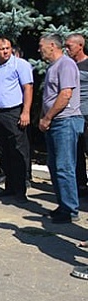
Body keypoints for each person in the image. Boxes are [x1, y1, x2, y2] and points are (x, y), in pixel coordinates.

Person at [38, 33, 83, 223]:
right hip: (54, 121)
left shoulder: (66, 64)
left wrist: (48, 117)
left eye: (41, 46)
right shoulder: (52, 67)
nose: (39, 49)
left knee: (65, 166)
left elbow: (65, 95)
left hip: (65, 121)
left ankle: (70, 210)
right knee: (54, 165)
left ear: (52, 46)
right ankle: (63, 204)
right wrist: (42, 116)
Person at [0, 35, 34, 201]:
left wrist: (25, 112)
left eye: (8, 48)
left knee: (18, 150)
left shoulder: (20, 65)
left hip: (14, 112)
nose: (5, 51)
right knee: (4, 151)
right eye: (1, 49)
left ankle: (20, 190)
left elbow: (27, 88)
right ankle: (9, 187)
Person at [65, 33, 88, 195]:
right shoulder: (67, 65)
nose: (67, 49)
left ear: (80, 46)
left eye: (69, 46)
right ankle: (80, 184)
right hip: (72, 114)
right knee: (75, 151)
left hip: (87, 114)